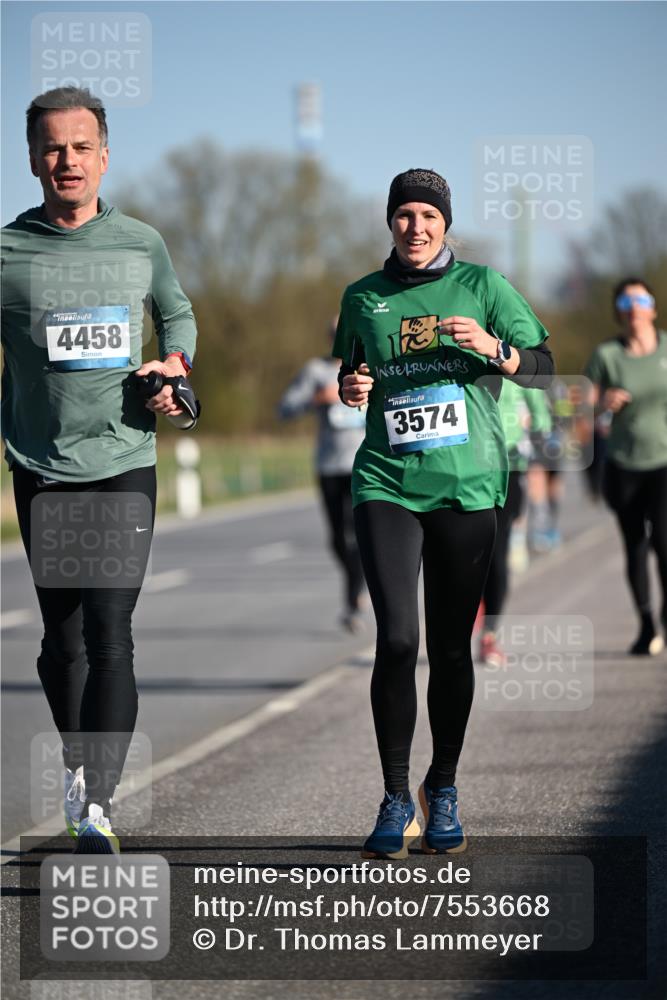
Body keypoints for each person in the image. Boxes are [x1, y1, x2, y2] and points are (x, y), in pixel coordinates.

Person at [335, 168, 553, 859]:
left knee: (451, 647)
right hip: (386, 483)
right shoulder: (362, 296)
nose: (416, 227)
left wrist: (493, 348)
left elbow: (544, 365)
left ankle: (444, 785)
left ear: (445, 224)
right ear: (390, 222)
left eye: (429, 216)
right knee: (399, 640)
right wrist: (350, 386)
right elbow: (351, 370)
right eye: (405, 214)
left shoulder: (484, 286)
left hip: (467, 486)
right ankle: (395, 795)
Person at [1, 87, 197, 851]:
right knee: (63, 643)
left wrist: (173, 365)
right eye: (53, 147)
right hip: (41, 464)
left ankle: (98, 804)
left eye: (81, 146)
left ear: (104, 157)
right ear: (31, 159)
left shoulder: (139, 243)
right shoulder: (9, 251)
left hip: (123, 458)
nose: (67, 160)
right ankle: (83, 770)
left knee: (111, 632)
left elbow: (175, 312)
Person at [584, 278, 667, 656]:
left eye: (641, 300)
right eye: (625, 302)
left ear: (653, 307)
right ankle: (646, 624)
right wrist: (603, 403)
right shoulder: (607, 356)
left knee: (664, 541)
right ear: (618, 311)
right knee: (635, 545)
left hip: (664, 461)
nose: (634, 308)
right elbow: (580, 409)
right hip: (623, 464)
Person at [278, 318, 366, 633]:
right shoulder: (316, 371)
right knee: (337, 539)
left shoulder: (370, 367)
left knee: (358, 536)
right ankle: (359, 582)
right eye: (335, 335)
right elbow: (285, 408)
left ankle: (353, 601)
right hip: (328, 465)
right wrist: (318, 398)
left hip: (362, 465)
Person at [478, 382, 552, 666]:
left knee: (495, 557)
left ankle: (489, 635)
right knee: (460, 554)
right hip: (461, 469)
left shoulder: (516, 368)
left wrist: (533, 430)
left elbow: (542, 420)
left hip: (507, 470)